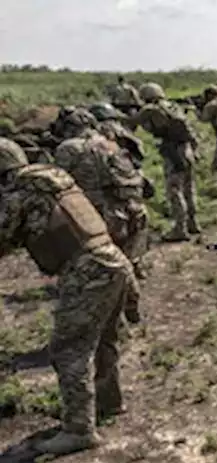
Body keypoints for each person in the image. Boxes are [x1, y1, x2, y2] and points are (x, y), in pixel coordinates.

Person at [0, 139, 137, 456]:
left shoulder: (22, 192)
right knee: (104, 339)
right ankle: (107, 401)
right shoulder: (52, 182)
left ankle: (79, 429)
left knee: (68, 350)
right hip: (112, 261)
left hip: (87, 270)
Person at [53, 109, 149, 319]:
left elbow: (57, 183)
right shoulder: (109, 142)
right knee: (125, 263)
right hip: (132, 208)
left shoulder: (69, 148)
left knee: (103, 273)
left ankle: (113, 321)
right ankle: (130, 310)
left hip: (103, 214)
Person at [128, 82, 200, 241]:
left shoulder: (150, 110)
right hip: (186, 149)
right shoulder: (173, 107)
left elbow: (131, 122)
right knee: (189, 187)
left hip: (173, 152)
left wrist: (128, 113)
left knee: (174, 190)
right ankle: (193, 223)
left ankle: (179, 229)